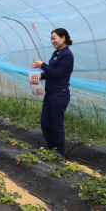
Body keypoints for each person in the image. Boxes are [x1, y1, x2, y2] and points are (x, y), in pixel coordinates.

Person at [32, 28, 74, 157]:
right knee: (45, 123)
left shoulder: (67, 55)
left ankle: (59, 154)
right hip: (50, 94)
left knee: (56, 125)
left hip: (59, 94)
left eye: (54, 38)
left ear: (63, 37)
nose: (52, 41)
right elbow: (51, 72)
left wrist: (43, 65)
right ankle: (52, 149)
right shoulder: (56, 53)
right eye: (51, 38)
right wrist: (40, 76)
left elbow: (58, 73)